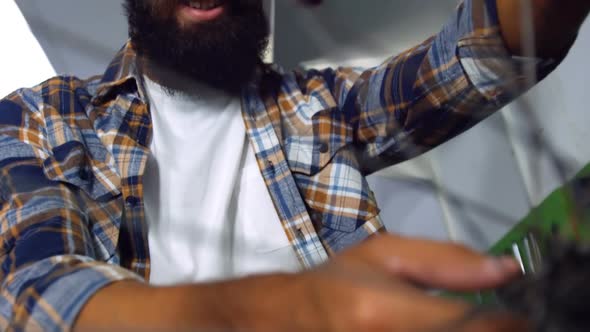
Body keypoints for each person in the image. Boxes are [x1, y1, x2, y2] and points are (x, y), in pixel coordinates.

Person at [0, 0, 588, 330]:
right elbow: (38, 295)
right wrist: (299, 309)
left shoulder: (318, 105)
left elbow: (478, 59)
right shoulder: (43, 119)